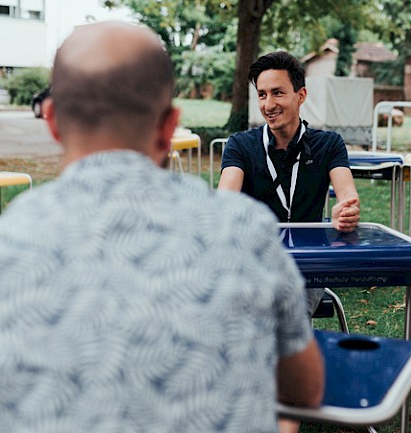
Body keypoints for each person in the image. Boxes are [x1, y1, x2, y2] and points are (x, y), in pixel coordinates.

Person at [0, 21, 324, 432]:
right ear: (170, 126)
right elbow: (305, 390)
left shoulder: (10, 241)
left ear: (51, 120)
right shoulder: (245, 231)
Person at [218, 50, 360, 316]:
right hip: (255, 262)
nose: (268, 104)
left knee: (284, 308)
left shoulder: (329, 144)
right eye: (262, 94)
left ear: (301, 95)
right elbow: (225, 200)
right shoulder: (240, 145)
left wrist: (346, 210)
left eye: (278, 92)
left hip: (306, 267)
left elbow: (347, 195)